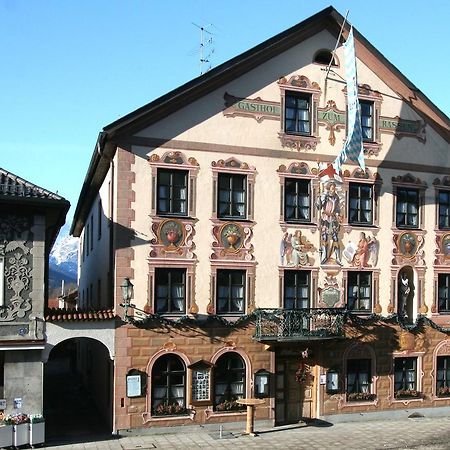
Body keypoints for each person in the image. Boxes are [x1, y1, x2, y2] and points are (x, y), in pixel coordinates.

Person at [316, 181, 342, 265]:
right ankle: (324, 256)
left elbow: (337, 209)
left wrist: (338, 215)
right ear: (329, 188)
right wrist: (319, 199)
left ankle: (338, 258)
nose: (333, 189)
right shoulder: (325, 196)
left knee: (335, 238)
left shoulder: (336, 197)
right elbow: (319, 206)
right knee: (324, 237)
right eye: (332, 187)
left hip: (333, 218)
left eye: (334, 188)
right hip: (326, 217)